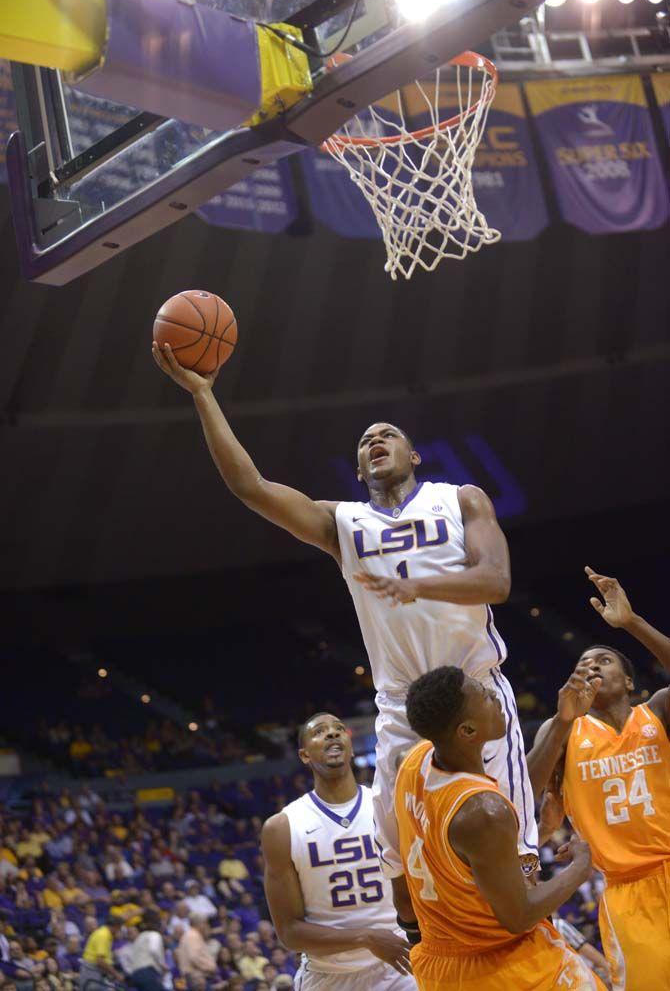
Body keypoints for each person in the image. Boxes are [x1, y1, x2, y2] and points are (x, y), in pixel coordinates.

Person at [151, 348, 538, 882]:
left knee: (511, 858)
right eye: (365, 441)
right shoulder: (344, 522)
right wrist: (203, 394)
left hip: (476, 691)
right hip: (402, 706)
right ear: (359, 469)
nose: (375, 440)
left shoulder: (460, 498)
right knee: (405, 872)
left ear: (415, 455)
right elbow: (251, 487)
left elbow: (496, 582)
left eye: (388, 434)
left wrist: (416, 584)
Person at [394, 665, 607, 990]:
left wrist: (563, 722)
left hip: (442, 966)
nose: (494, 695)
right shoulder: (482, 812)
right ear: (467, 731)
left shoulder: (413, 762)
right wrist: (582, 866)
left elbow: (509, 803)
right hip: (503, 965)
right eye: (483, 695)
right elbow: (520, 915)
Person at [526, 568, 670, 991]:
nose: (591, 666)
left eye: (603, 660)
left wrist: (631, 624)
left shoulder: (657, 712)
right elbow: (527, 787)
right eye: (582, 664)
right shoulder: (563, 731)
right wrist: (559, 723)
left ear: (628, 681)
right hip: (626, 892)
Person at [261, 712, 415, 990]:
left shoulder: (386, 805)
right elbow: (289, 933)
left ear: (350, 746)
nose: (332, 733)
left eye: (339, 729)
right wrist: (365, 938)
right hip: (327, 976)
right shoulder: (282, 827)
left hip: (398, 967)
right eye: (320, 731)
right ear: (305, 755)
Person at [79, 916, 123, 989]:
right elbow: (100, 961)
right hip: (91, 972)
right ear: (116, 926)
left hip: (96, 972)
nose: (119, 931)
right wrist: (116, 974)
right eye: (120, 928)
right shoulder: (103, 935)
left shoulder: (104, 933)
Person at [128, 910, 166, 991]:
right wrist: (163, 965)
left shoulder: (139, 937)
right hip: (148, 973)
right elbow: (154, 950)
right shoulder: (154, 934)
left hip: (135, 974)